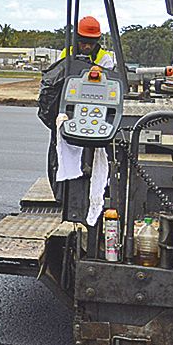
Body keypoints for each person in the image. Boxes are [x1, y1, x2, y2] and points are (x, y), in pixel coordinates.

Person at [37, 15, 113, 221]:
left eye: (91, 42)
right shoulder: (67, 55)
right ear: (77, 38)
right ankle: (63, 194)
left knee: (95, 155)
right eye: (83, 41)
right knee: (60, 152)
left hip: (95, 112)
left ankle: (92, 194)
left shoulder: (105, 59)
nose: (87, 45)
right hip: (69, 112)